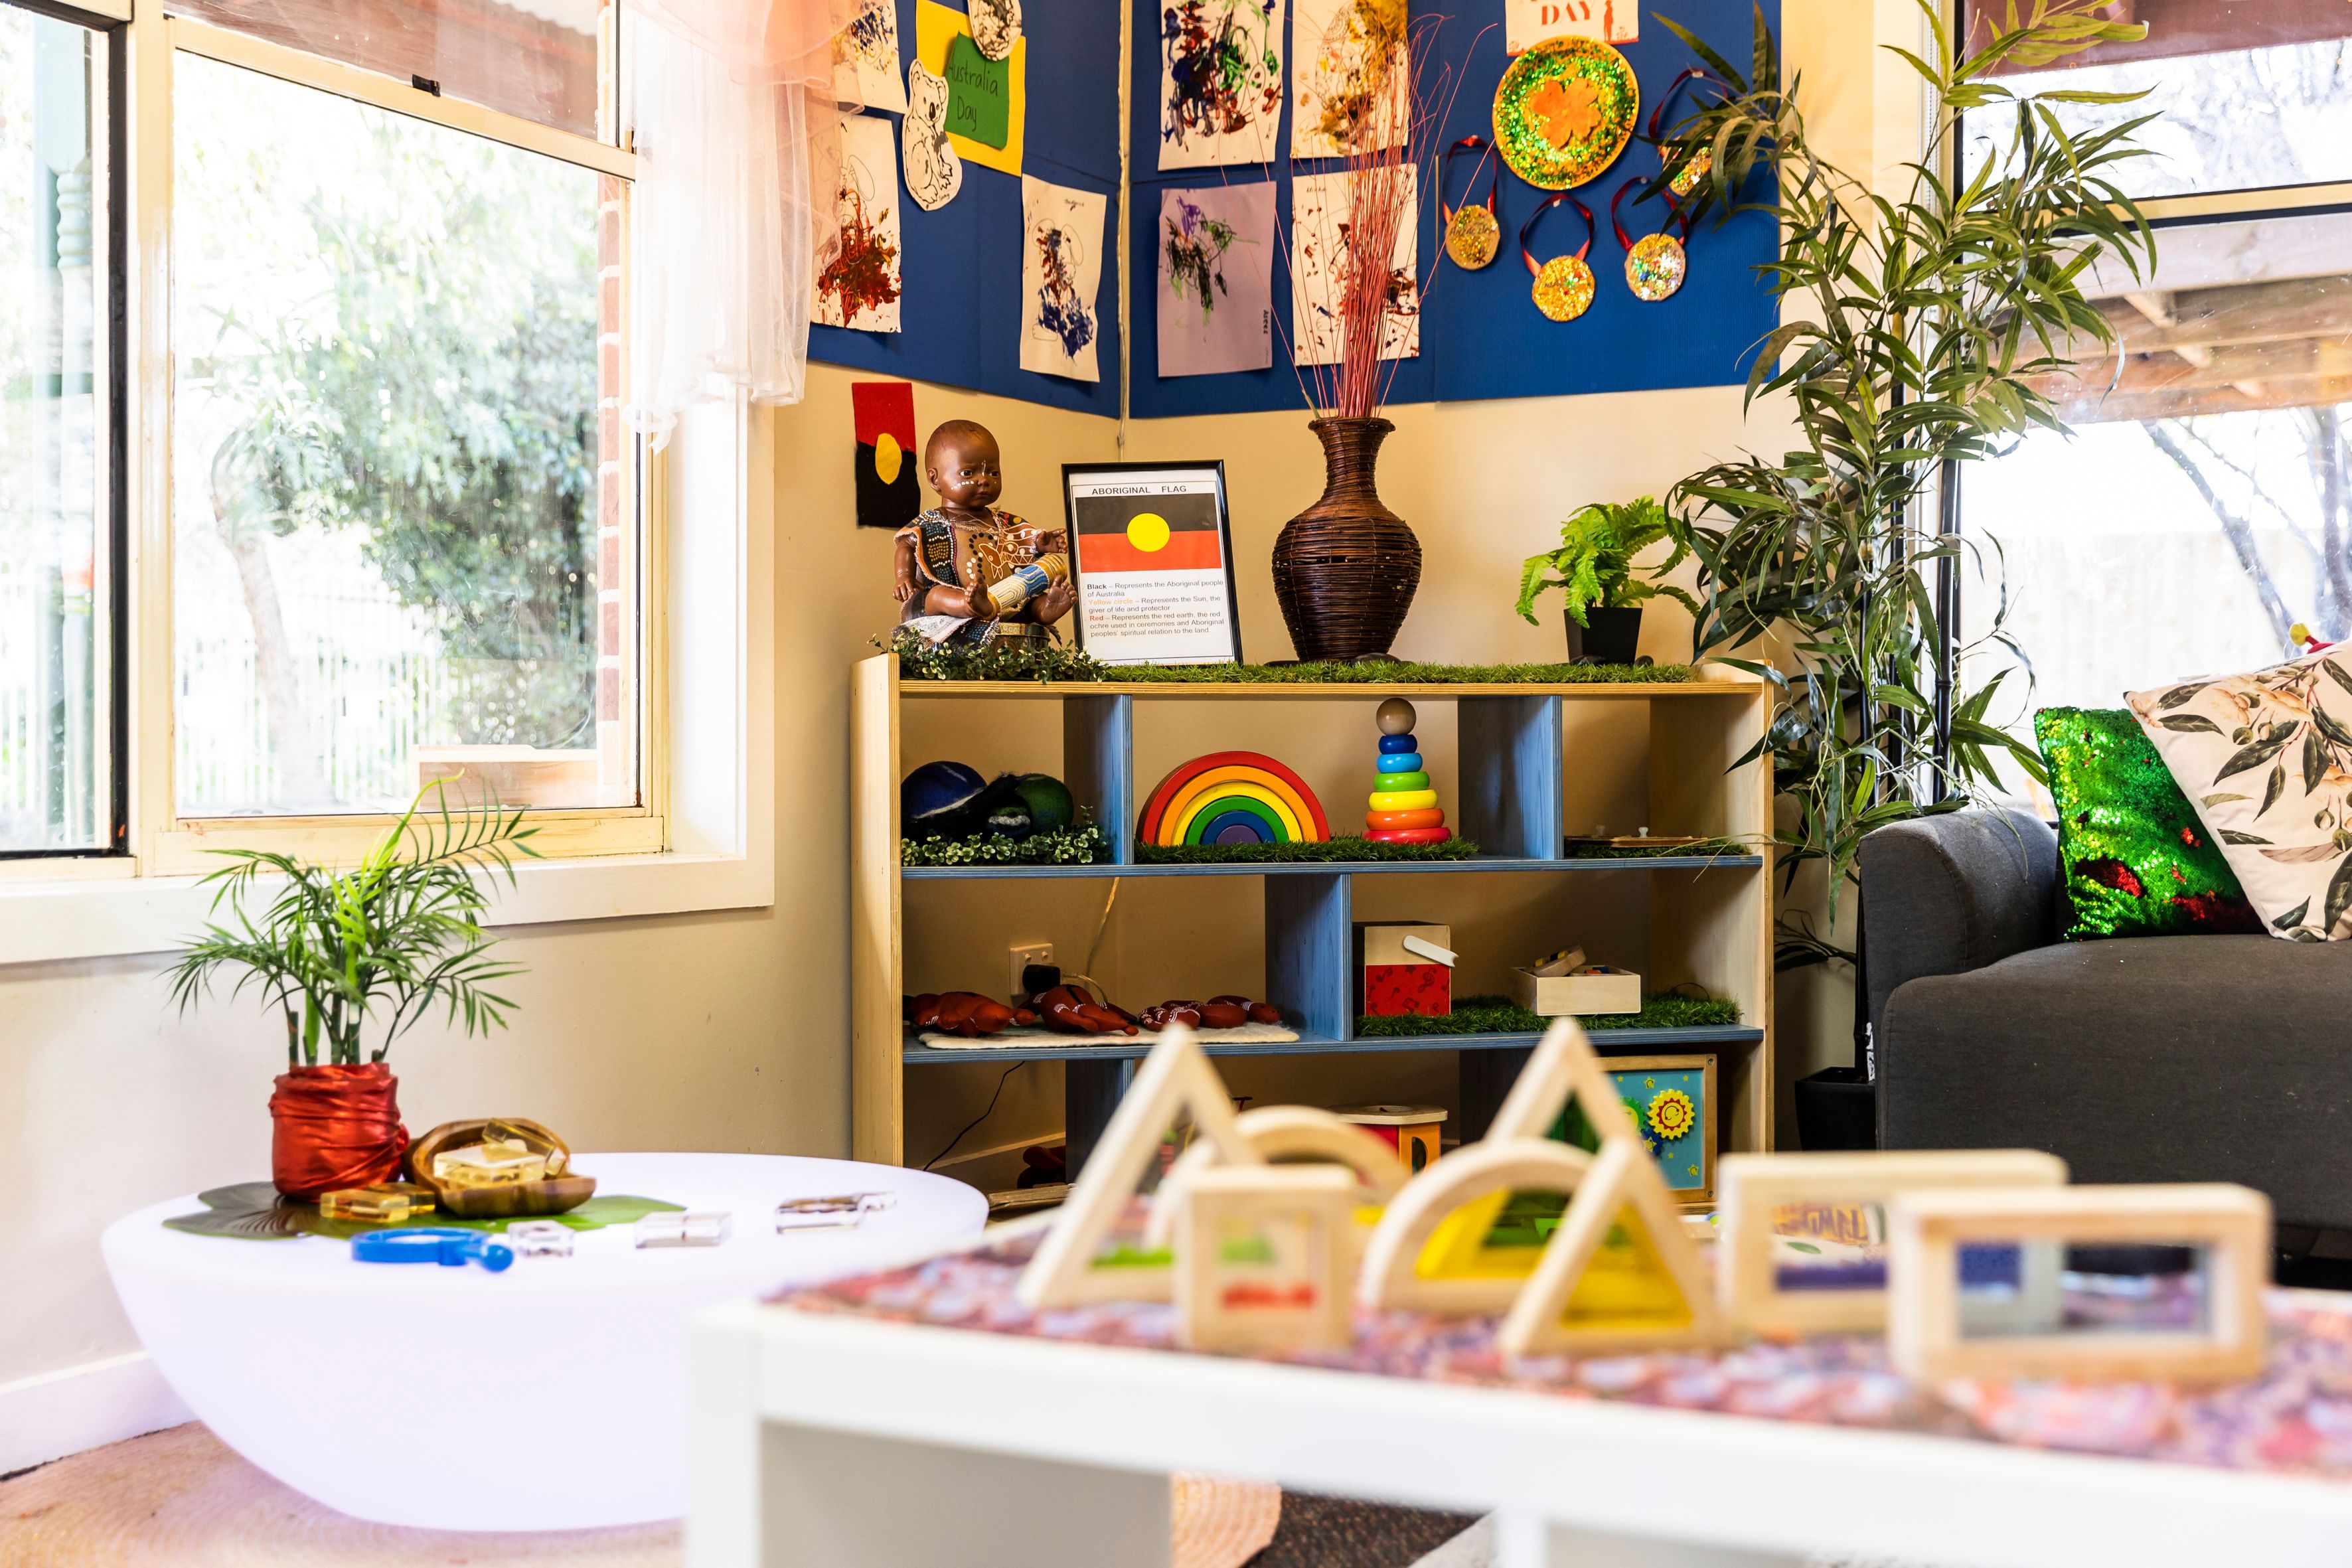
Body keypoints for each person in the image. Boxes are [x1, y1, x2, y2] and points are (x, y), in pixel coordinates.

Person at [892, 420, 1074, 647]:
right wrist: (903, 577)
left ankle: (1046, 609)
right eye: (969, 472)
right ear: (934, 479)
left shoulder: (1003, 521)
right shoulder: (932, 521)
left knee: (1027, 601)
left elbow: (1024, 537)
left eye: (994, 473)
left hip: (1005, 601)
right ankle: (971, 605)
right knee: (937, 595)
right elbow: (906, 544)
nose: (984, 481)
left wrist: (1041, 542)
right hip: (945, 606)